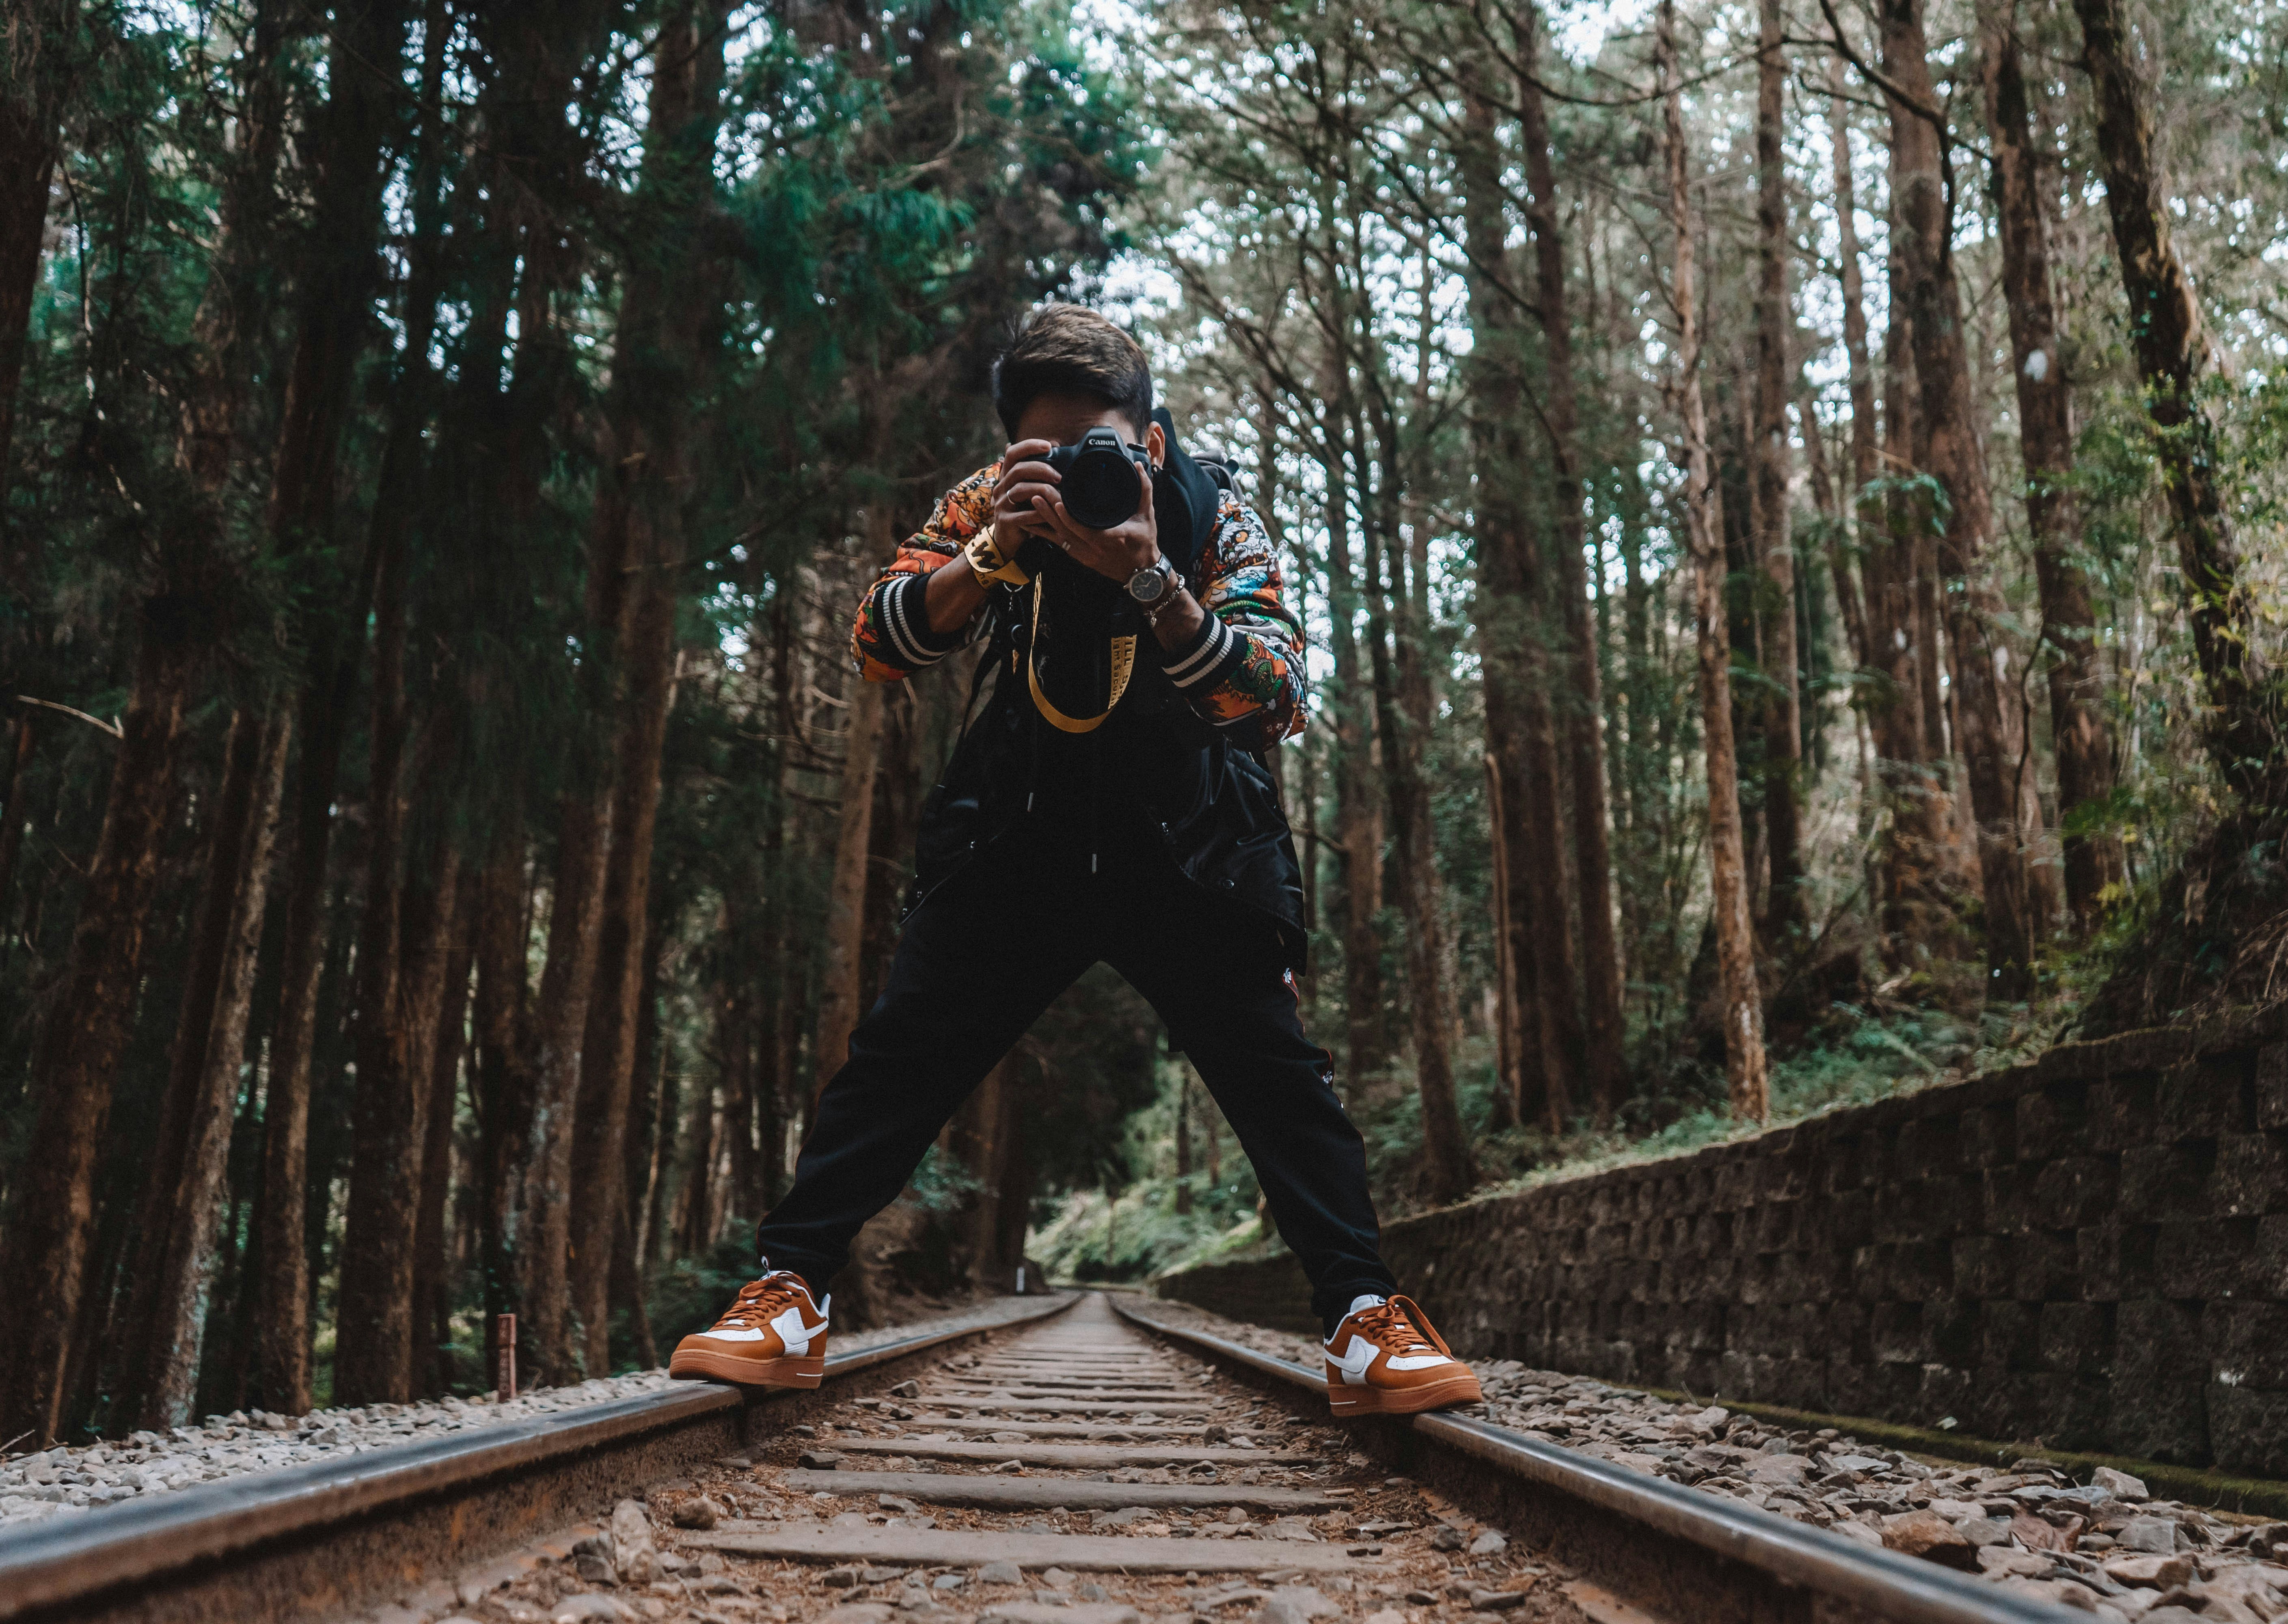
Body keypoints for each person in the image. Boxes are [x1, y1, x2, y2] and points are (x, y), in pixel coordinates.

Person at [668, 305, 1480, 1417]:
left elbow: (1276, 697)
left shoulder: (1213, 511)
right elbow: (876, 641)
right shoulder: (986, 507)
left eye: (1099, 447)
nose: (1074, 473)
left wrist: (1151, 578)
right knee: (897, 1060)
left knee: (1277, 1078)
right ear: (1012, 450)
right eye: (1046, 453)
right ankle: (785, 1293)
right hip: (1020, 833)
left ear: (1146, 441)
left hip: (1188, 842)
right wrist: (992, 552)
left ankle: (1361, 1318)